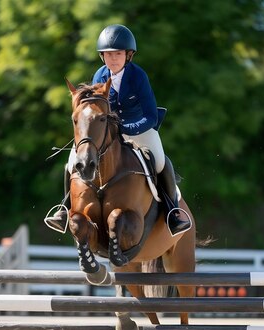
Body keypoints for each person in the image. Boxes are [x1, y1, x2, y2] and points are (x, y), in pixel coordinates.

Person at [44, 24, 191, 236]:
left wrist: (126, 127)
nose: (114, 59)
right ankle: (64, 210)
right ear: (102, 56)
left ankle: (173, 213)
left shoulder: (138, 76)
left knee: (160, 161)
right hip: (107, 132)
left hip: (139, 127)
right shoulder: (99, 75)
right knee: (71, 163)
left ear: (128, 55)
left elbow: (150, 115)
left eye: (118, 54)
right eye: (109, 54)